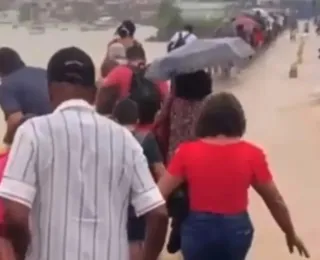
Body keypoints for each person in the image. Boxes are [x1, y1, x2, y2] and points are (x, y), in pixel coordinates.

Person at [0, 47, 168, 260]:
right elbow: (159, 214)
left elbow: (15, 217)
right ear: (94, 94)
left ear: (49, 90)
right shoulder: (124, 138)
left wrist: (23, 253)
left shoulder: (32, 133)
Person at [158, 92, 310, 260]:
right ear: (239, 121)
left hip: (197, 230)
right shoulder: (253, 154)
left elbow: (158, 195)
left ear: (204, 121)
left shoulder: (186, 152)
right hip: (236, 230)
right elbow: (275, 200)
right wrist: (290, 233)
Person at [153, 70, 211, 254]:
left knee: (178, 194)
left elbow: (159, 120)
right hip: (202, 157)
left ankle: (179, 223)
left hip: (176, 156)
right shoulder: (209, 103)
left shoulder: (174, 100)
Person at [112, 99, 167, 260]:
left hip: (112, 210)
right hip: (138, 212)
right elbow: (160, 172)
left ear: (115, 119)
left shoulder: (105, 139)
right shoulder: (145, 139)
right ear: (137, 120)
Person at [96, 45, 169, 117]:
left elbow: (103, 98)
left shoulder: (119, 71)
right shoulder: (156, 73)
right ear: (145, 59)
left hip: (126, 123)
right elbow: (166, 100)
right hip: (153, 124)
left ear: (127, 59)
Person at [0, 47, 51, 144]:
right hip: (66, 127)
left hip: (42, 136)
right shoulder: (43, 72)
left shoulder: (6, 85)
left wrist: (8, 140)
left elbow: (15, 119)